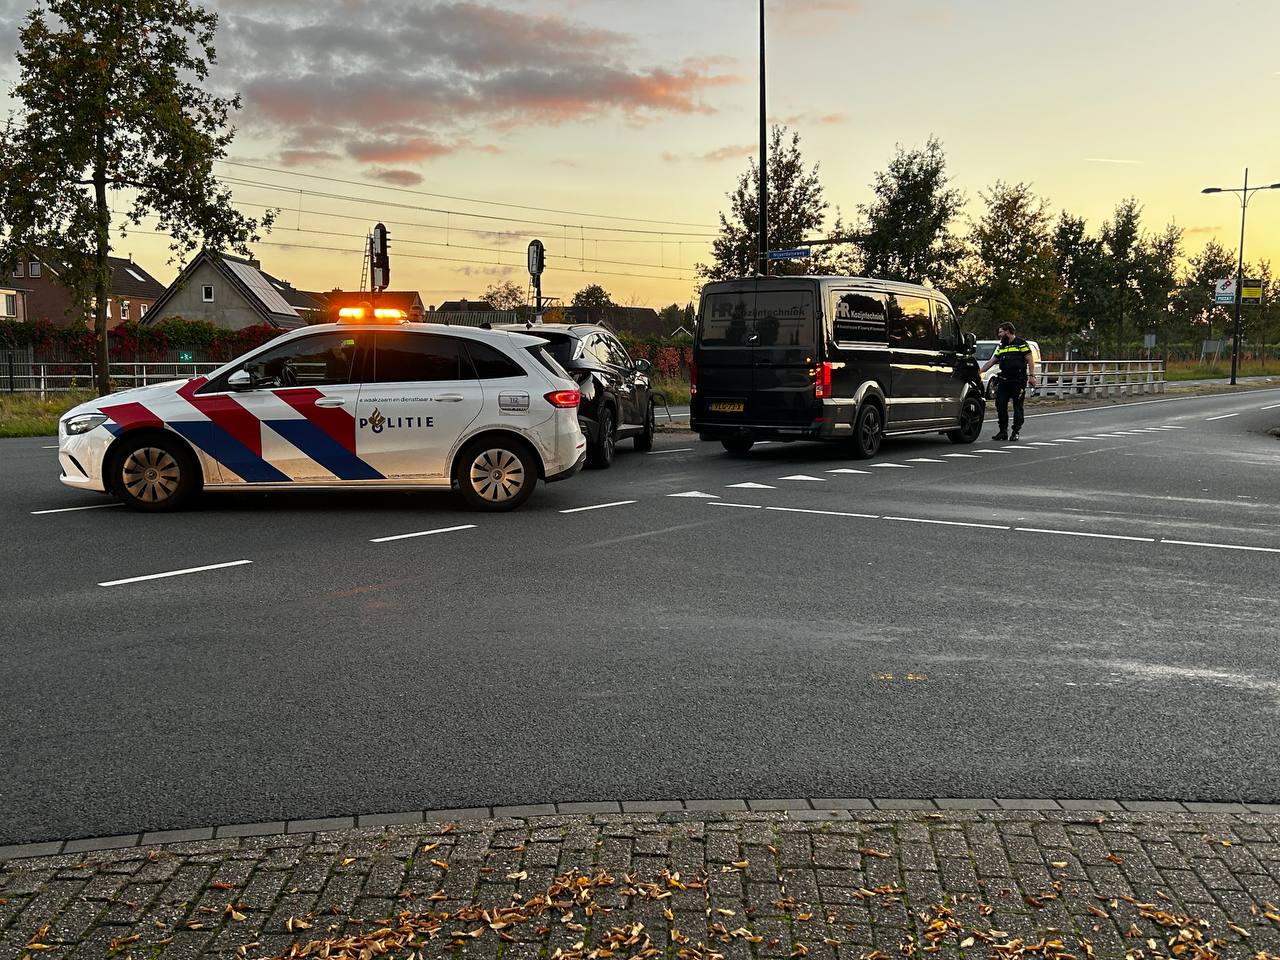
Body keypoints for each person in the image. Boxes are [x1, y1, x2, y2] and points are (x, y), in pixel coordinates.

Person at [980, 322, 1037, 441]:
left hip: (1018, 381)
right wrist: (980, 372)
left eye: (1000, 332)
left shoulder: (1021, 344)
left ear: (1007, 331)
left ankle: (1016, 431)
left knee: (1017, 406)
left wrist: (1032, 376)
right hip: (1004, 381)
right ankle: (1002, 431)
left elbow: (1030, 361)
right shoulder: (1003, 346)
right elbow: (992, 361)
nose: (999, 335)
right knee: (1000, 405)